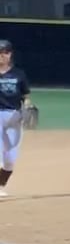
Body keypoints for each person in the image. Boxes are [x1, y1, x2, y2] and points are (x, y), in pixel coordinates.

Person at [0, 39, 32, 199]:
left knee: (10, 159)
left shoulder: (19, 74)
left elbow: (26, 95)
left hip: (14, 117)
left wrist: (27, 105)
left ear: (10, 54)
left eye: (5, 52)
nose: (1, 55)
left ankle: (0, 186)